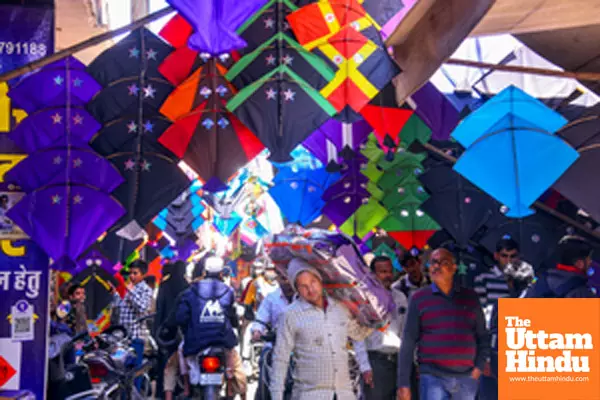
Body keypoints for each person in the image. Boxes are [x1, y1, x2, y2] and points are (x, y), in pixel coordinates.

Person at [271, 258, 372, 400]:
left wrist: (376, 320)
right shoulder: (290, 315)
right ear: (297, 289)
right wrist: (276, 396)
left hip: (344, 394)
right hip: (310, 395)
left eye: (313, 282)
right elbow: (280, 359)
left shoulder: (340, 308)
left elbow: (358, 334)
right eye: (303, 286)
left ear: (320, 280)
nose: (310, 289)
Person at [397, 248, 489, 400]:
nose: (437, 266)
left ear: (454, 268)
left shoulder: (470, 298)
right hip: (433, 377)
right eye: (433, 262)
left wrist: (479, 367)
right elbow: (408, 341)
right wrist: (403, 383)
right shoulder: (419, 298)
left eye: (443, 262)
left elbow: (483, 336)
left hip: (466, 378)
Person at [174, 256, 247, 399]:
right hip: (222, 339)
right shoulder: (228, 291)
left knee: (181, 349)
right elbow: (232, 315)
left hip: (196, 341)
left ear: (204, 271)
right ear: (221, 273)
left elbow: (181, 317)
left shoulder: (191, 291)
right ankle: (230, 387)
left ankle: (187, 387)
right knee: (232, 353)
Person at [473, 239, 533, 400]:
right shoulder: (484, 279)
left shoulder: (525, 278)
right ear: (496, 256)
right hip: (493, 349)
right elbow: (478, 320)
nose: (508, 261)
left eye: (512, 256)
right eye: (504, 256)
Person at [354, 256, 407, 400]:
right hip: (375, 364)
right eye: (383, 272)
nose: (388, 275)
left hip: (398, 363)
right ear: (372, 275)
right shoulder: (364, 300)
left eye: (390, 271)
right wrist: (365, 367)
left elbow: (406, 333)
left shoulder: (400, 298)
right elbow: (358, 337)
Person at [110, 260, 154, 389]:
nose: (132, 276)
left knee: (135, 373)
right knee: (122, 373)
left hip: (135, 337)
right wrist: (115, 295)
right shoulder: (129, 287)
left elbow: (141, 308)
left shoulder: (145, 290)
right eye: (131, 273)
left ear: (143, 274)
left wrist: (131, 292)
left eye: (135, 273)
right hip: (122, 338)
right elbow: (122, 307)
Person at [155, 261, 189, 400]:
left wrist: (157, 329)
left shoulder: (164, 286)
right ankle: (182, 389)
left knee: (166, 363)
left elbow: (159, 309)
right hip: (183, 330)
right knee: (183, 363)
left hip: (166, 330)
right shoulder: (187, 287)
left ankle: (163, 392)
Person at [523, 235, 596, 298]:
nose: (590, 262)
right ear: (580, 263)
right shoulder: (582, 293)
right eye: (589, 259)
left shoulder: (540, 281)